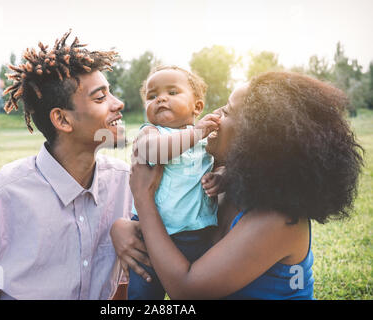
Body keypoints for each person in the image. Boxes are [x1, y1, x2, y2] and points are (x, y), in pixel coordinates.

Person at [0, 30, 147, 300]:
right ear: (62, 120)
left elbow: (123, 284)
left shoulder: (128, 182)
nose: (118, 104)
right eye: (100, 98)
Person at [113, 71, 364, 299]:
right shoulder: (221, 183)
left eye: (228, 111)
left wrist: (144, 200)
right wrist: (123, 228)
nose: (215, 113)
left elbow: (187, 290)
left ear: (256, 138)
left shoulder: (278, 219)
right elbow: (174, 227)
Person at [127, 66, 223, 299]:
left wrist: (221, 176)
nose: (161, 98)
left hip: (198, 235)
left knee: (201, 292)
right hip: (151, 236)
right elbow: (153, 152)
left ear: (197, 107)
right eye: (152, 96)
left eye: (172, 92)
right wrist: (196, 134)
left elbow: (222, 162)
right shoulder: (151, 132)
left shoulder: (206, 137)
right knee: (143, 294)